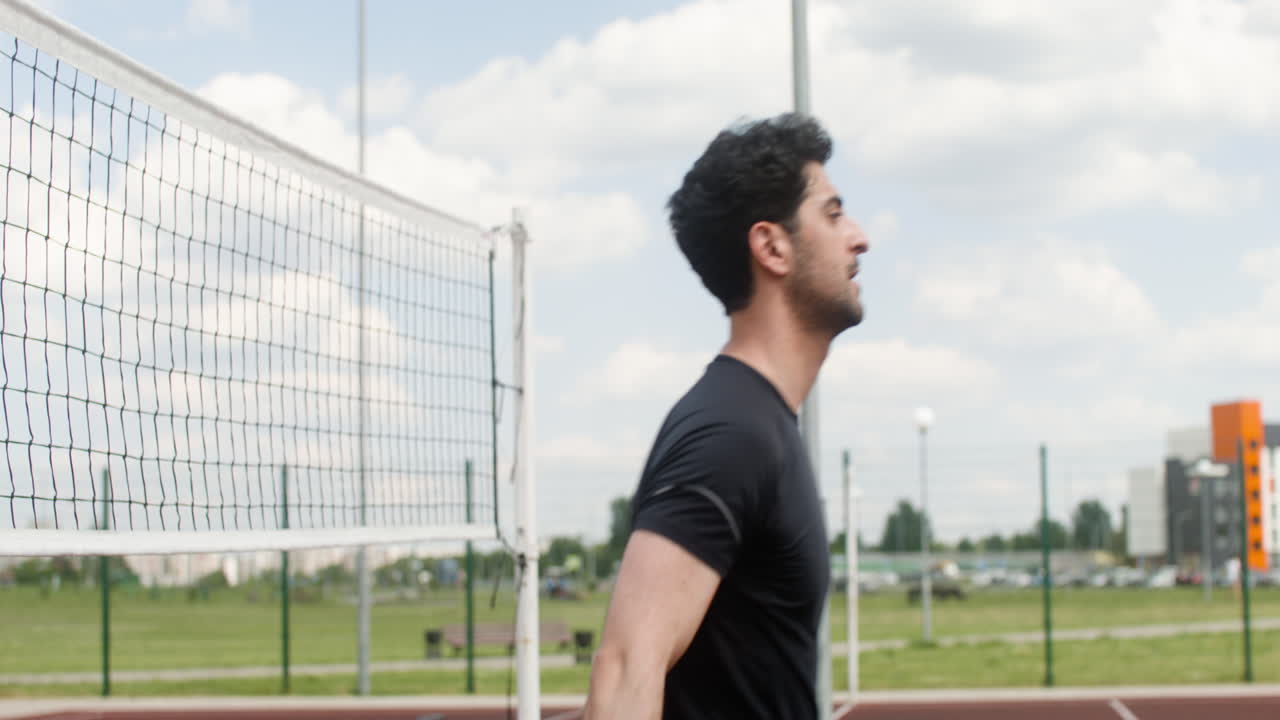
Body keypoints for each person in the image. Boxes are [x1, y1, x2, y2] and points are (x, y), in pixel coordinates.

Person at [583, 113, 870, 720]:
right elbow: (626, 668)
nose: (859, 237)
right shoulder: (731, 434)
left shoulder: (758, 422)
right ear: (772, 247)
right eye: (833, 214)